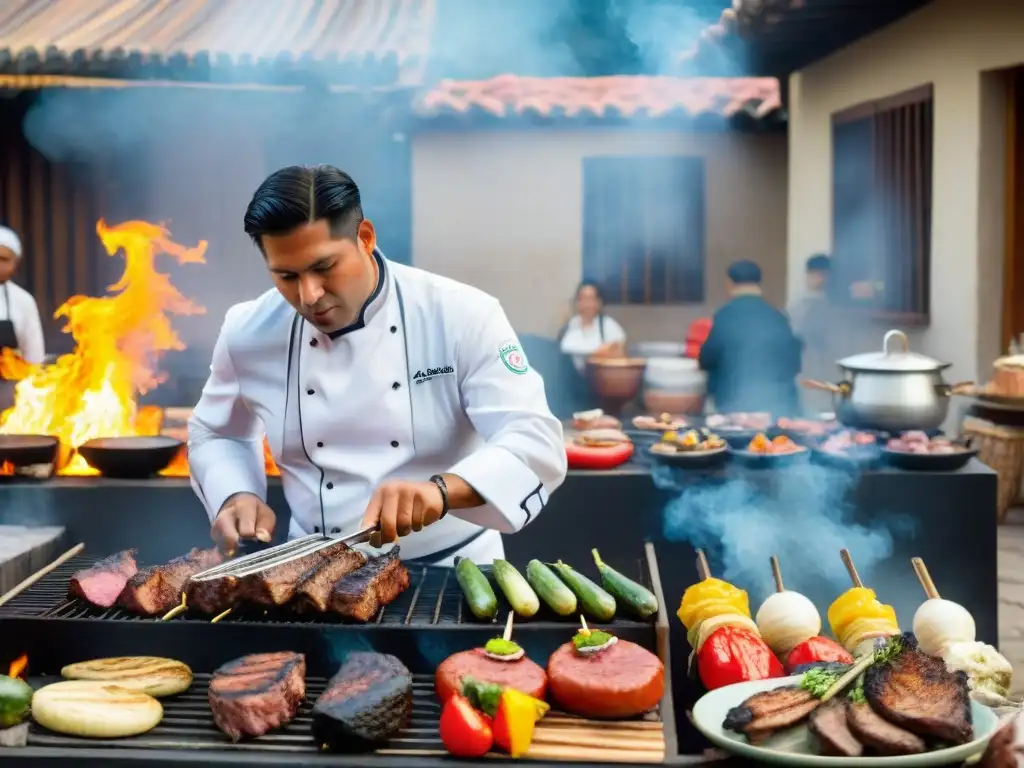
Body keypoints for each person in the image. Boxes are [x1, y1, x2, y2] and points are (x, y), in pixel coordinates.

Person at [187, 165, 567, 565]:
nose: (309, 295)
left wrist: (441, 491)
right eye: (286, 276)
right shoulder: (248, 330)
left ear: (365, 238)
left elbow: (533, 439)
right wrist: (236, 494)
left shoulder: (461, 315)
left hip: (451, 568)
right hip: (311, 573)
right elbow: (217, 432)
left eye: (324, 267)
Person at [698, 260, 802, 415]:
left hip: (733, 405)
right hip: (778, 405)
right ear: (759, 283)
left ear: (729, 283)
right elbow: (795, 363)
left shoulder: (726, 315)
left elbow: (707, 359)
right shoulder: (777, 316)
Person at [0, 226, 45, 409]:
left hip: (7, 399)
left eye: (3, 259)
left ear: (15, 264)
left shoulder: (23, 301)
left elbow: (34, 358)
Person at [788, 254, 835, 413]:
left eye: (824, 274)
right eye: (816, 274)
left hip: (828, 374)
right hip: (804, 373)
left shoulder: (838, 309)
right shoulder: (797, 307)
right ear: (808, 275)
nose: (819, 279)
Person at [558, 281, 627, 373]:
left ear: (598, 302)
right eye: (583, 298)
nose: (587, 304)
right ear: (577, 302)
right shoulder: (568, 327)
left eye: (591, 298)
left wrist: (599, 354)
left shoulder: (608, 326)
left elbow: (619, 353)